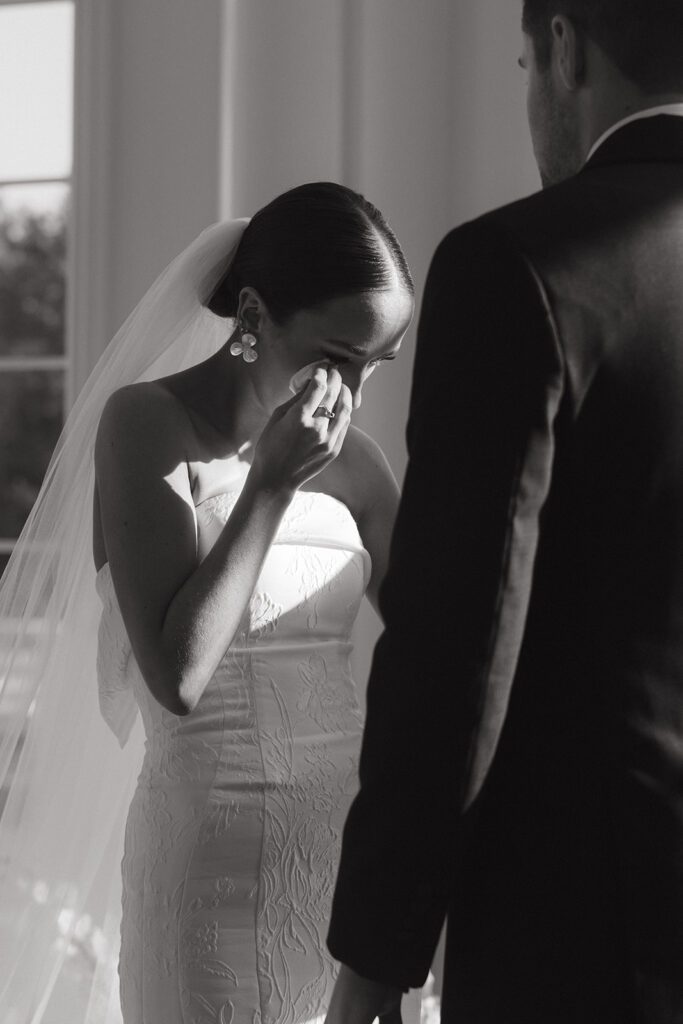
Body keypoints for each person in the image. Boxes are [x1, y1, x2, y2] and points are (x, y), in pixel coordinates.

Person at [325, 2, 683, 1022]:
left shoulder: (519, 266)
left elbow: (457, 644)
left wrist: (374, 959)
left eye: (526, 61)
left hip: (582, 934)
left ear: (564, 48)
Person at [0, 182, 416, 1024]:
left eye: (375, 365)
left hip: (341, 866)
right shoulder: (145, 425)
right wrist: (268, 483)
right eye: (336, 355)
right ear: (253, 314)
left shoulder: (361, 465)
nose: (351, 394)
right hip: (207, 876)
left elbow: (443, 650)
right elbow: (176, 674)